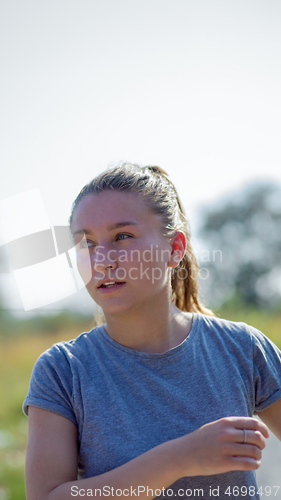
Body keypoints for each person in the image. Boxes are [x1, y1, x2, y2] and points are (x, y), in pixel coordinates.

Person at [23, 162, 281, 500]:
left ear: (174, 249)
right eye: (86, 243)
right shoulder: (62, 370)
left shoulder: (242, 347)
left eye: (122, 237)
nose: (102, 259)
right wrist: (180, 458)